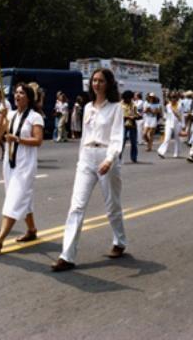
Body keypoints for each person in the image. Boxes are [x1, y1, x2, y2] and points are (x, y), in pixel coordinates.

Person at [52, 68, 126, 271]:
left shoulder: (116, 108)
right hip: (86, 158)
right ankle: (67, 255)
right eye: (94, 80)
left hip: (105, 157)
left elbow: (117, 136)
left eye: (101, 81)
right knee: (76, 206)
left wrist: (110, 159)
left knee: (112, 205)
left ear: (109, 84)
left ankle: (119, 241)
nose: (96, 84)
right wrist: (81, 159)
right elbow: (84, 136)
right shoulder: (87, 108)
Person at [0, 83, 44, 254]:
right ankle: (31, 230)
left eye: (21, 93)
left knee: (14, 200)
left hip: (25, 165)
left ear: (29, 97)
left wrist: (17, 139)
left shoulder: (35, 117)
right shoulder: (10, 115)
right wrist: (2, 118)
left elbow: (38, 141)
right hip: (10, 164)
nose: (17, 95)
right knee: (23, 199)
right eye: (16, 93)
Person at [157, 92, 185, 159]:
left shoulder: (180, 105)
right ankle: (161, 152)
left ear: (177, 98)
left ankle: (176, 153)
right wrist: (163, 117)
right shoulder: (168, 106)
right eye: (172, 97)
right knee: (167, 138)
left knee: (177, 139)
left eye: (174, 97)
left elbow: (182, 116)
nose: (173, 99)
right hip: (169, 123)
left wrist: (183, 125)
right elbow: (166, 115)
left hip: (177, 123)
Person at [121, 90, 140, 163]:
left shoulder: (134, 105)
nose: (129, 100)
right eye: (127, 98)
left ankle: (134, 157)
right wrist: (127, 117)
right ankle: (119, 157)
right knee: (122, 141)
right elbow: (118, 116)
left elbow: (137, 114)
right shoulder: (120, 105)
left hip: (132, 125)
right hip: (123, 124)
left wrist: (135, 117)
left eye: (130, 98)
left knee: (134, 142)